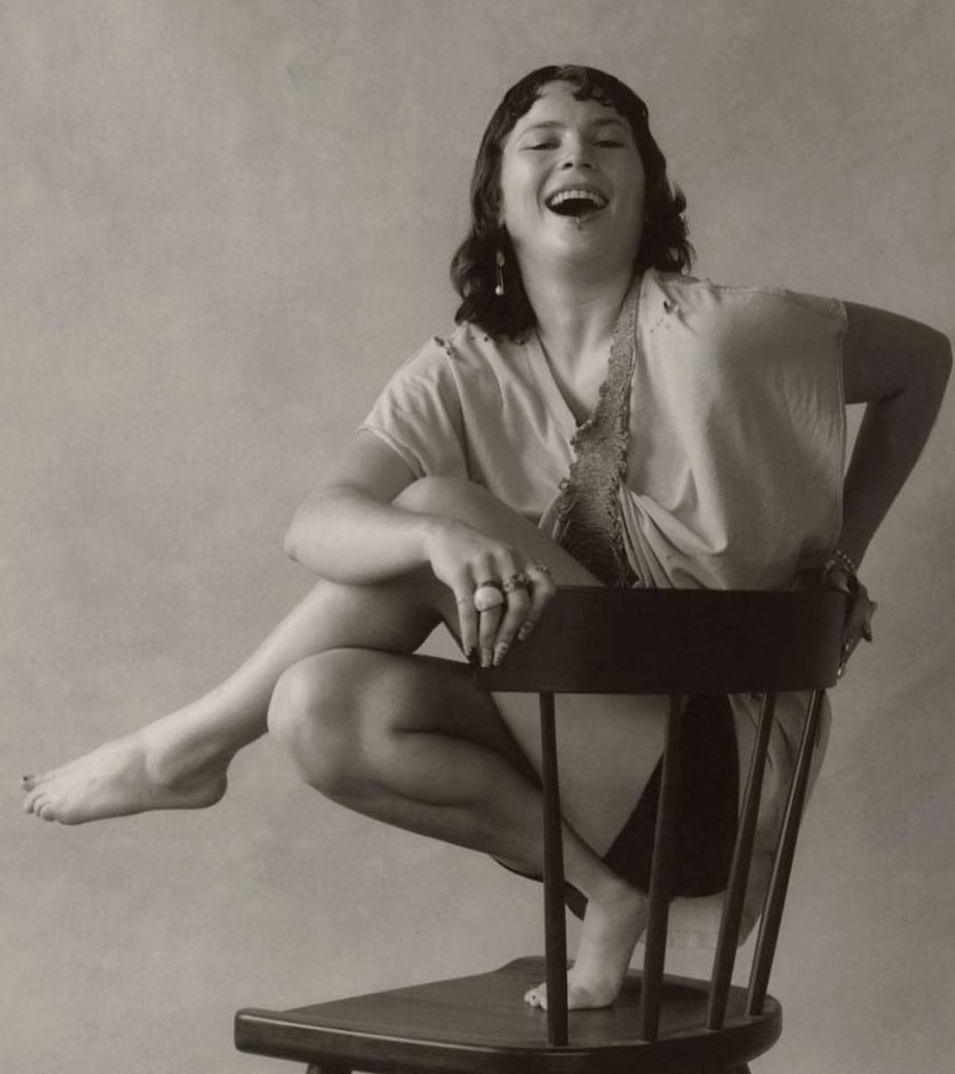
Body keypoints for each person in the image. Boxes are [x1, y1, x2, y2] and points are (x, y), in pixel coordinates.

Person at [22, 65, 950, 1011]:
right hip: (594, 779)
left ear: (646, 196)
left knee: (438, 504)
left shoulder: (725, 333)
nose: (576, 155)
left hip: (716, 768)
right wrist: (432, 544)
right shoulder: (462, 370)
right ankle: (608, 894)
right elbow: (315, 524)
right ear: (496, 199)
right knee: (316, 703)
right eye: (541, 143)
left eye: (608, 142)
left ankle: (186, 750)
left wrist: (838, 560)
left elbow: (923, 362)